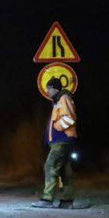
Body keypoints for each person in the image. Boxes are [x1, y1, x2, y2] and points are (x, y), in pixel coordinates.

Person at [32, 76, 77, 209]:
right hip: (62, 140)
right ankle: (67, 201)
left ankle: (47, 199)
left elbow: (69, 119)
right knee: (64, 170)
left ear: (54, 88)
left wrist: (58, 127)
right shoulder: (59, 100)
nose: (47, 91)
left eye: (48, 88)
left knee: (50, 166)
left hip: (62, 140)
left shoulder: (63, 99)